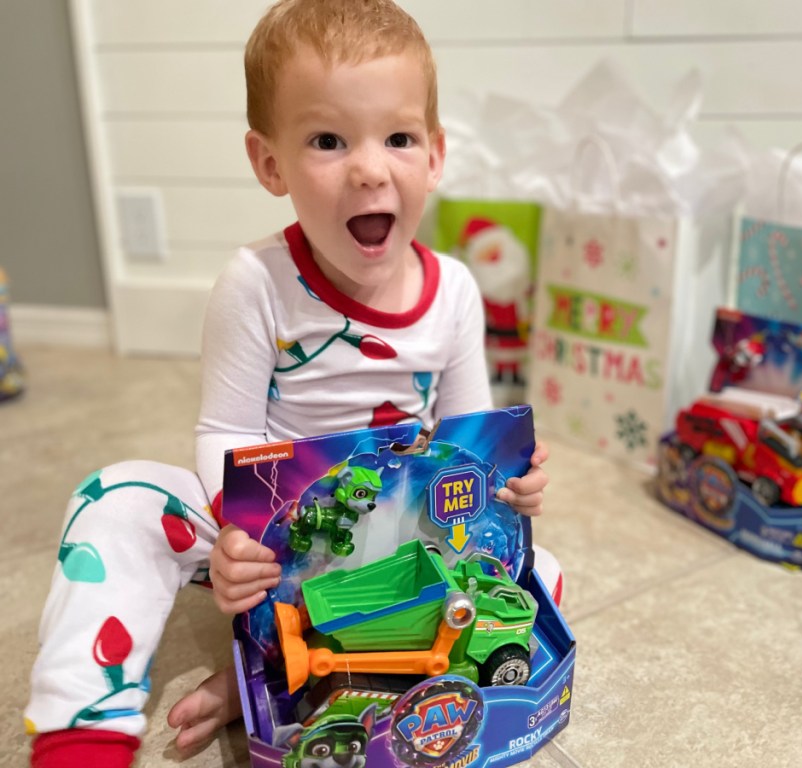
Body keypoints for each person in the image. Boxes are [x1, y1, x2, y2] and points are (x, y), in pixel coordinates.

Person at [24, 1, 561, 765]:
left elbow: (469, 446)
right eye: (328, 140)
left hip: (403, 546)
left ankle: (280, 686)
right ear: (270, 162)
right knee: (118, 499)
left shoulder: (456, 293)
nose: (371, 166)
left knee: (540, 576)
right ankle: (82, 729)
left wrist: (513, 484)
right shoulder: (256, 284)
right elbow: (223, 432)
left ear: (435, 156)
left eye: (399, 138)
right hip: (276, 545)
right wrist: (241, 534)